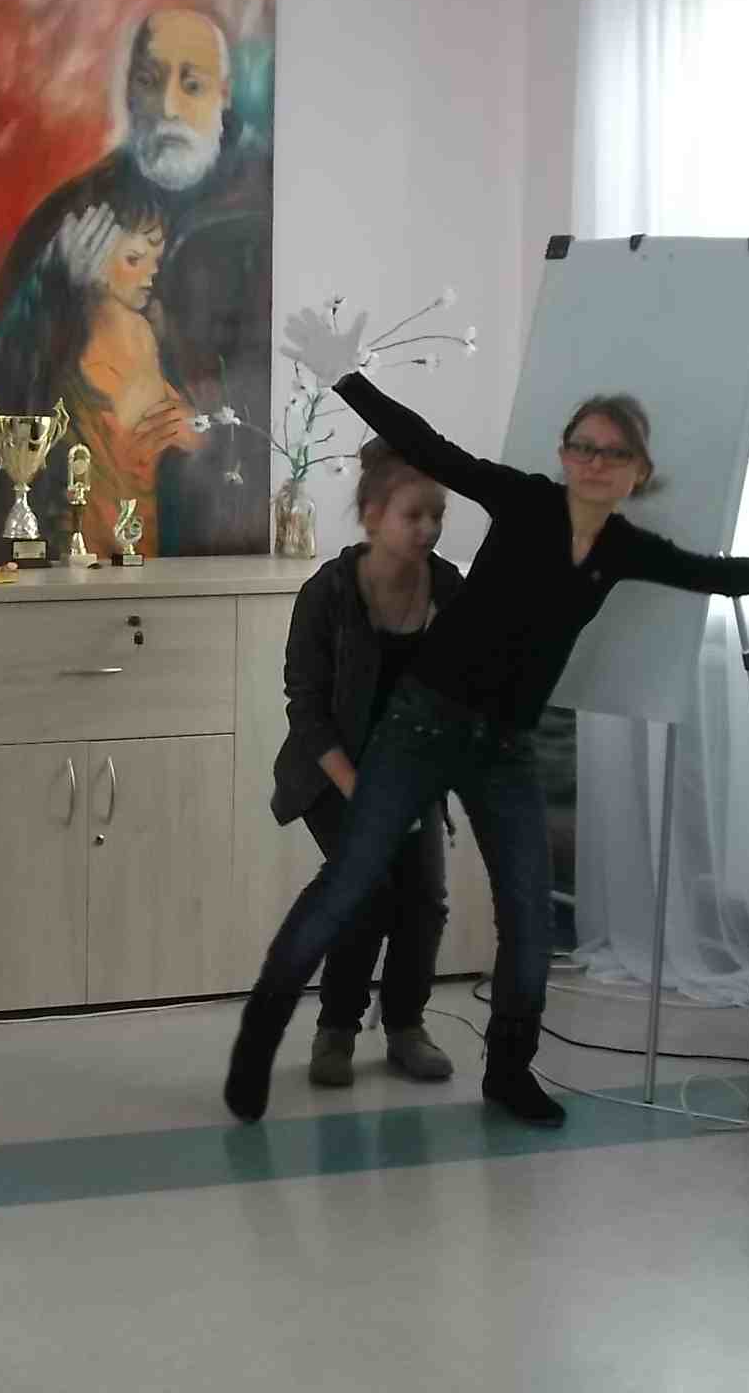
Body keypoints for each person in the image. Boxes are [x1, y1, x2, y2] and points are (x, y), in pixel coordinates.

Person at [225, 308, 749, 1128]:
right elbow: (430, 447)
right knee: (349, 885)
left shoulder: (626, 549)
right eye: (582, 446)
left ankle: (508, 1073)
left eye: (612, 453)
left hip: (505, 747)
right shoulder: (523, 500)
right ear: (564, 454)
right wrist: (344, 376)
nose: (593, 462)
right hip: (422, 725)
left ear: (638, 471)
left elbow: (716, 576)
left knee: (527, 914)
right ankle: (259, 1038)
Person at [0, 7, 271, 554]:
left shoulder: (267, 206)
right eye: (149, 81)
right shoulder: (77, 212)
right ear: (129, 92)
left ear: (225, 95)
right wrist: (55, 288)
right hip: (89, 523)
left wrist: (214, 429)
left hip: (214, 537)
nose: (168, 107)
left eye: (191, 84)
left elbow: (280, 386)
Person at [271, 438, 465, 1090]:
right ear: (374, 516)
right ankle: (337, 1030)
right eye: (414, 515)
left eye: (438, 515)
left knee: (426, 900)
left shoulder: (447, 587)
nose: (429, 528)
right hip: (333, 774)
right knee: (371, 889)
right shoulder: (326, 592)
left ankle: (406, 1026)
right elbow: (306, 708)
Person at [45, 193, 203, 557]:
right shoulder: (130, 330)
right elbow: (146, 438)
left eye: (156, 259)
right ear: (93, 259)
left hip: (110, 525)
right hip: (113, 525)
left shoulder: (126, 330)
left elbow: (166, 423)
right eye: (134, 259)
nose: (152, 272)